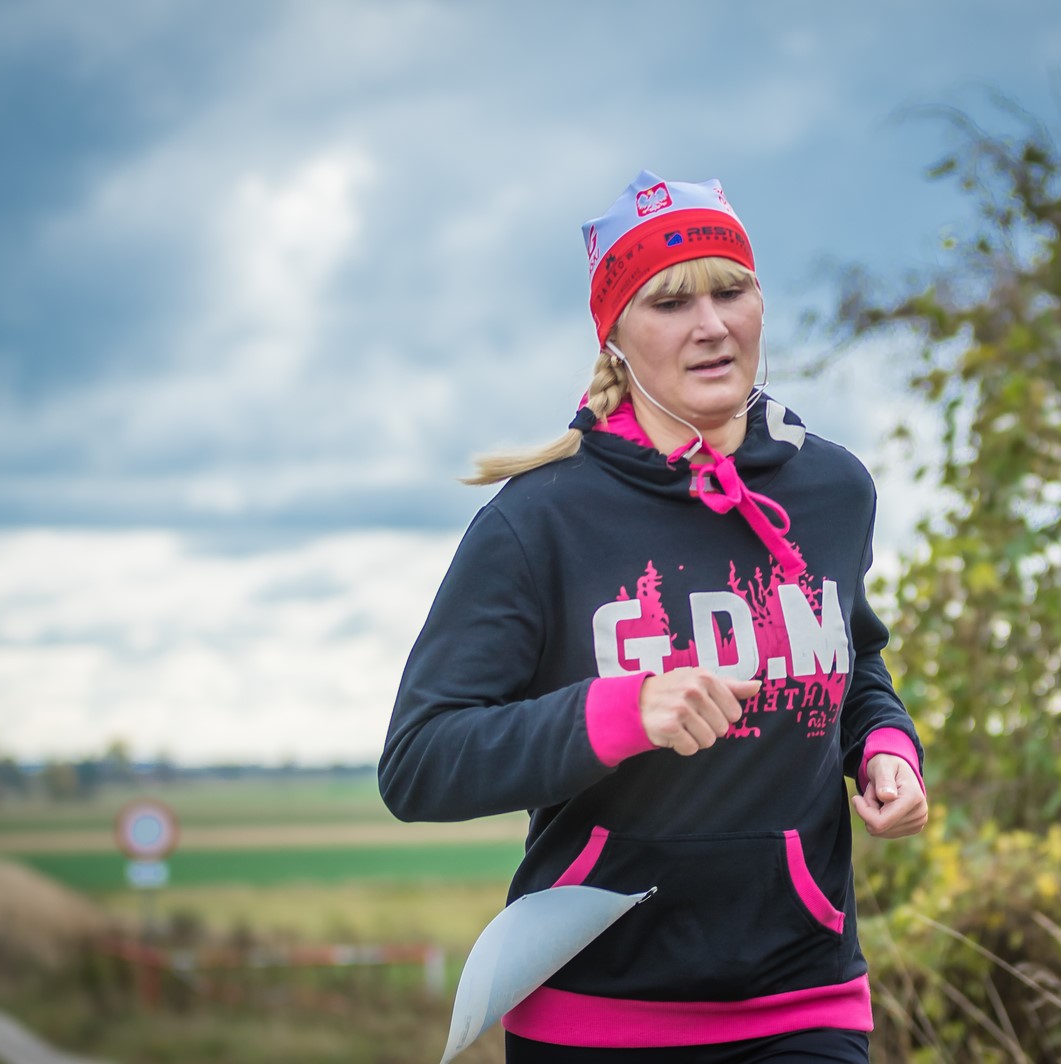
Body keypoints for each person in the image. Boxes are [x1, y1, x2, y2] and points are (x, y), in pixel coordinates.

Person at [378, 171, 928, 1063]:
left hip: (805, 998)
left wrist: (885, 749)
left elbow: (855, 662)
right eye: (671, 303)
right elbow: (420, 762)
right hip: (596, 1013)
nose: (711, 325)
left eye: (731, 290)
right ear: (615, 337)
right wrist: (620, 712)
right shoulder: (539, 522)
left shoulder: (833, 489)